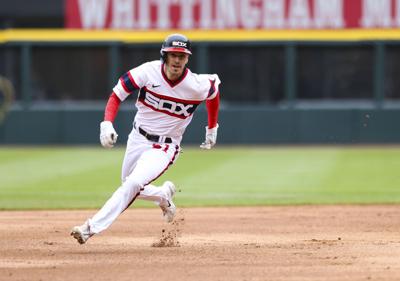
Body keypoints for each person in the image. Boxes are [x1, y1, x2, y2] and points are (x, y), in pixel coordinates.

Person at [71, 33, 221, 244]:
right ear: (164, 55)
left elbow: (214, 92)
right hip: (138, 138)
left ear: (188, 58)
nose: (177, 60)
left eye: (182, 55)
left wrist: (212, 127)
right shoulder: (147, 72)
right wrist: (106, 123)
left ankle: (90, 228)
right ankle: (163, 196)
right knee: (130, 184)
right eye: (173, 55)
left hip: (165, 147)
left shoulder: (196, 84)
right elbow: (117, 94)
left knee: (132, 183)